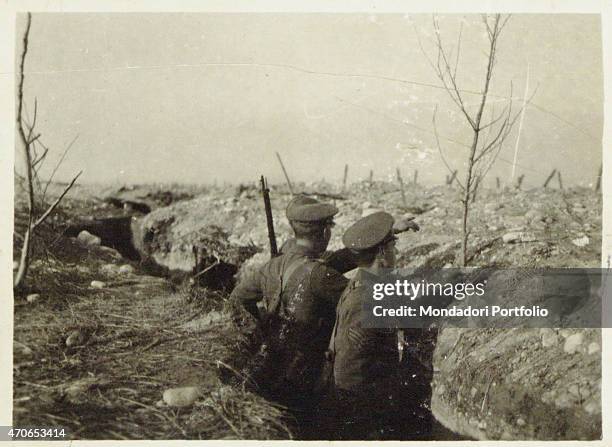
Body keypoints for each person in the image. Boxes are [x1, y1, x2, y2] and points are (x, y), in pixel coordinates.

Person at [229, 195, 348, 435]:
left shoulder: (273, 266)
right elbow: (364, 303)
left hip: (272, 365)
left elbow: (238, 299)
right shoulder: (320, 275)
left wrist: (258, 329)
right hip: (309, 376)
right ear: (324, 232)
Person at [322, 211, 416, 440]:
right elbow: (349, 374)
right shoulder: (368, 301)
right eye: (393, 246)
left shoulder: (363, 283)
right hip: (363, 416)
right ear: (382, 253)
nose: (397, 252)